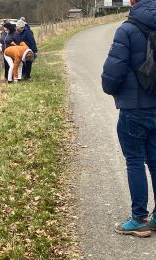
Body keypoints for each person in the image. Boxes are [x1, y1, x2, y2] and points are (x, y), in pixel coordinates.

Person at [101, 0, 156, 238]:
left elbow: (113, 72)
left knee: (135, 161)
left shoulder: (127, 29)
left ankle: (139, 219)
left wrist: (111, 89)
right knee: (155, 161)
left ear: (133, 2)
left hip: (134, 108)